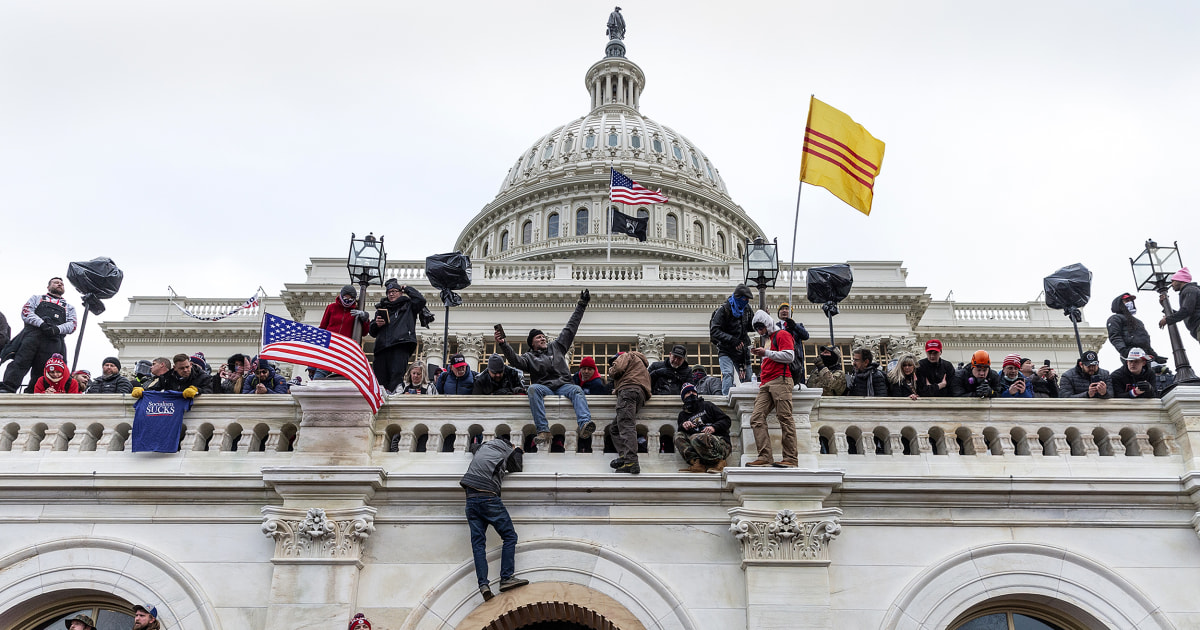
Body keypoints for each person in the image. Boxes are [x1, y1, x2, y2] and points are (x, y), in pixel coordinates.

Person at [495, 290, 594, 446]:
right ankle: (543, 429)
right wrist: (503, 344)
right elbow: (515, 361)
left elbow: (571, 327)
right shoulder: (529, 357)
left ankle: (585, 424)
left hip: (564, 385)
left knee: (577, 390)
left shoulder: (557, 346)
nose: (543, 338)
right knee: (533, 389)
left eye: (543, 336)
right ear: (532, 343)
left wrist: (581, 305)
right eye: (538, 337)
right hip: (545, 388)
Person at [459, 438, 529, 601]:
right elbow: (516, 466)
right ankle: (506, 578)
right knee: (510, 536)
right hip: (488, 497)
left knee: (478, 544)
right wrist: (518, 450)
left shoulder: (483, 447)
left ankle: (483, 585)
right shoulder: (507, 450)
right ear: (509, 444)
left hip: (470, 498)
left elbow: (473, 446)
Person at [1, 277, 78, 394]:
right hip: (32, 336)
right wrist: (41, 324)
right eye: (56, 282)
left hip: (54, 340)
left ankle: (34, 392)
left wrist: (56, 329)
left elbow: (72, 324)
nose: (59, 284)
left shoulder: (69, 307)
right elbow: (26, 312)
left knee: (44, 368)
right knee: (20, 362)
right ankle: (7, 388)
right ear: (48, 286)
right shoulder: (36, 298)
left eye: (61, 284)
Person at [745, 310, 797, 467]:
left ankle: (790, 459)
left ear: (767, 323)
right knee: (756, 418)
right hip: (766, 383)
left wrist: (766, 352)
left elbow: (789, 356)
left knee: (785, 418)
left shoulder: (782, 334)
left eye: (761, 327)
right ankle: (765, 457)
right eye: (757, 329)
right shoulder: (769, 339)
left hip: (780, 380)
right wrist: (764, 353)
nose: (760, 331)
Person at [369, 278, 427, 393]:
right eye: (389, 292)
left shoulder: (409, 305)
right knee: (380, 379)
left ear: (401, 292)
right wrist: (377, 324)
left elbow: (420, 300)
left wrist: (407, 288)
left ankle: (392, 399)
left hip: (400, 345)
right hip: (382, 348)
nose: (391, 294)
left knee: (396, 376)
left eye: (395, 291)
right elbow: (372, 331)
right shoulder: (382, 308)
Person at [607, 349, 652, 474]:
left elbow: (618, 368)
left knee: (626, 425)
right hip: (639, 394)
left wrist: (611, 371)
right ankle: (624, 456)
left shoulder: (627, 356)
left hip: (628, 392)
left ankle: (631, 461)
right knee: (615, 428)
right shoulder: (640, 364)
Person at [675, 383, 732, 473]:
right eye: (688, 392)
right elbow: (682, 434)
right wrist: (684, 425)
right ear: (683, 397)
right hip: (698, 446)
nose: (691, 394)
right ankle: (697, 464)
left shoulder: (707, 405)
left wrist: (714, 427)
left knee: (697, 437)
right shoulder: (683, 415)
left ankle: (719, 462)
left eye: (693, 392)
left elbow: (726, 420)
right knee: (678, 436)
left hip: (720, 444)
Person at [316, 285, 371, 379]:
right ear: (341, 296)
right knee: (321, 370)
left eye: (350, 299)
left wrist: (365, 319)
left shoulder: (356, 311)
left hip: (344, 347)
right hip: (330, 344)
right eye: (345, 298)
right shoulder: (331, 307)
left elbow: (364, 333)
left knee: (342, 374)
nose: (347, 301)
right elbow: (323, 327)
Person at [709, 284, 755, 395]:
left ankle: (749, 397)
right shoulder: (724, 310)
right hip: (726, 349)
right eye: (745, 299)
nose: (747, 301)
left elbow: (751, 326)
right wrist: (732, 340)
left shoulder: (746, 309)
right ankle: (726, 398)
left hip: (742, 351)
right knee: (728, 373)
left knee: (747, 375)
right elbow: (714, 330)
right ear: (738, 297)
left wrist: (761, 320)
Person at [1107, 293, 1166, 363]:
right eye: (1127, 300)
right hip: (1130, 353)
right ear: (1120, 303)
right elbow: (1115, 336)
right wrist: (1124, 351)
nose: (1130, 302)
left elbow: (1145, 342)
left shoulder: (1138, 322)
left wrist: (1155, 357)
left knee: (1147, 372)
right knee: (1134, 371)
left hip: (1143, 354)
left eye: (1131, 300)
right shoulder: (1115, 318)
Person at [141, 353, 212, 398]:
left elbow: (210, 391)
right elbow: (154, 389)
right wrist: (142, 391)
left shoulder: (203, 377)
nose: (185, 370)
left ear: (190, 364)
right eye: (181, 368)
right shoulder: (166, 378)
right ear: (174, 368)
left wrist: (196, 391)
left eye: (187, 367)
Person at [1160, 267, 1200, 344]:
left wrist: (1167, 320)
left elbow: (1186, 311)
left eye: (1173, 281)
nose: (1171, 284)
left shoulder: (1189, 290)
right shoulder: (1192, 290)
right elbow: (1184, 313)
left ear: (1181, 280)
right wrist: (1165, 306)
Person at [776, 302, 810, 384]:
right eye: (782, 309)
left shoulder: (798, 325)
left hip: (795, 360)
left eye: (787, 309)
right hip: (780, 358)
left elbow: (805, 336)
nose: (784, 311)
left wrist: (794, 326)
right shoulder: (775, 326)